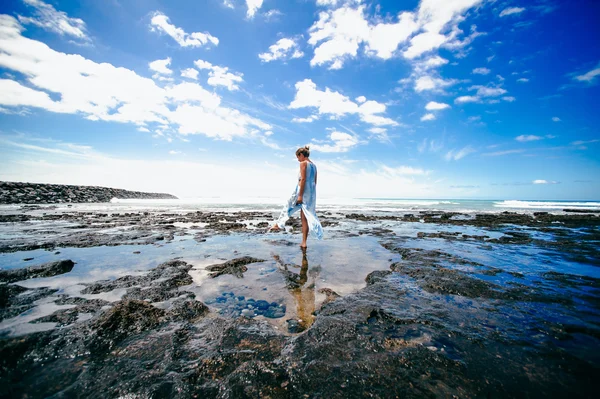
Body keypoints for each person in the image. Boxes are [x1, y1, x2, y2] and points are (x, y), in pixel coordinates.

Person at [270, 146, 323, 248]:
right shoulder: (314, 166)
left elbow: (303, 179)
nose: (298, 159)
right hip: (311, 193)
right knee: (305, 217)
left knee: (288, 205)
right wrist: (310, 195)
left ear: (301, 155)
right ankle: (304, 242)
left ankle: (278, 225)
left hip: (301, 190)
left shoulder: (303, 163)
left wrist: (300, 196)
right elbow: (314, 182)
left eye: (298, 157)